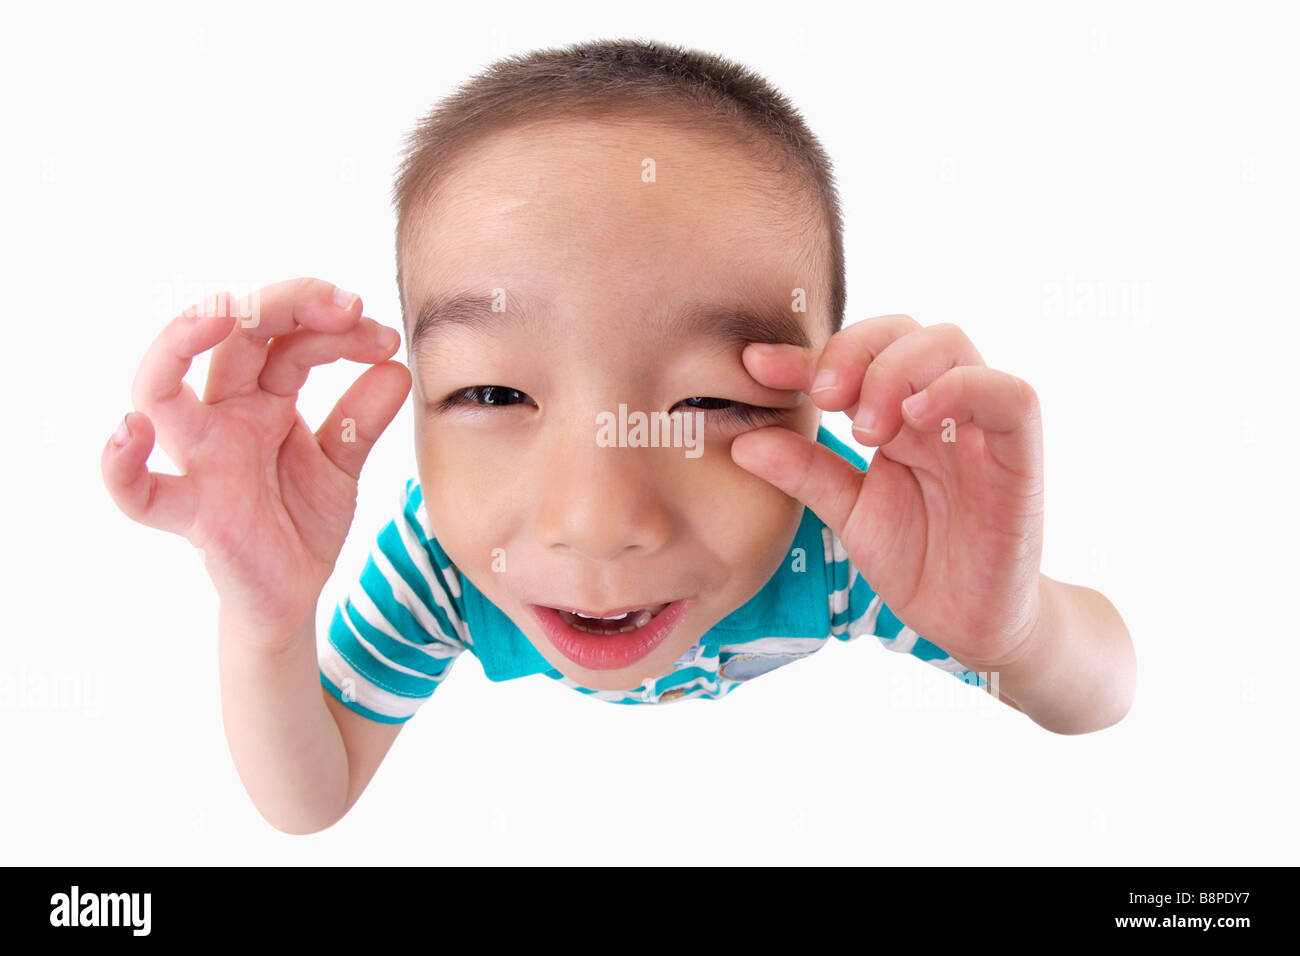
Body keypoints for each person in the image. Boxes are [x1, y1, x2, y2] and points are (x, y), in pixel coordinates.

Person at [101, 39, 1135, 834]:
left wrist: (1018, 635)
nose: (596, 522)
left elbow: (1103, 694)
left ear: (827, 393)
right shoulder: (441, 565)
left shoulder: (849, 542)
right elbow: (310, 794)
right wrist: (266, 624)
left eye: (708, 403)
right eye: (495, 395)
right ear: (409, 403)